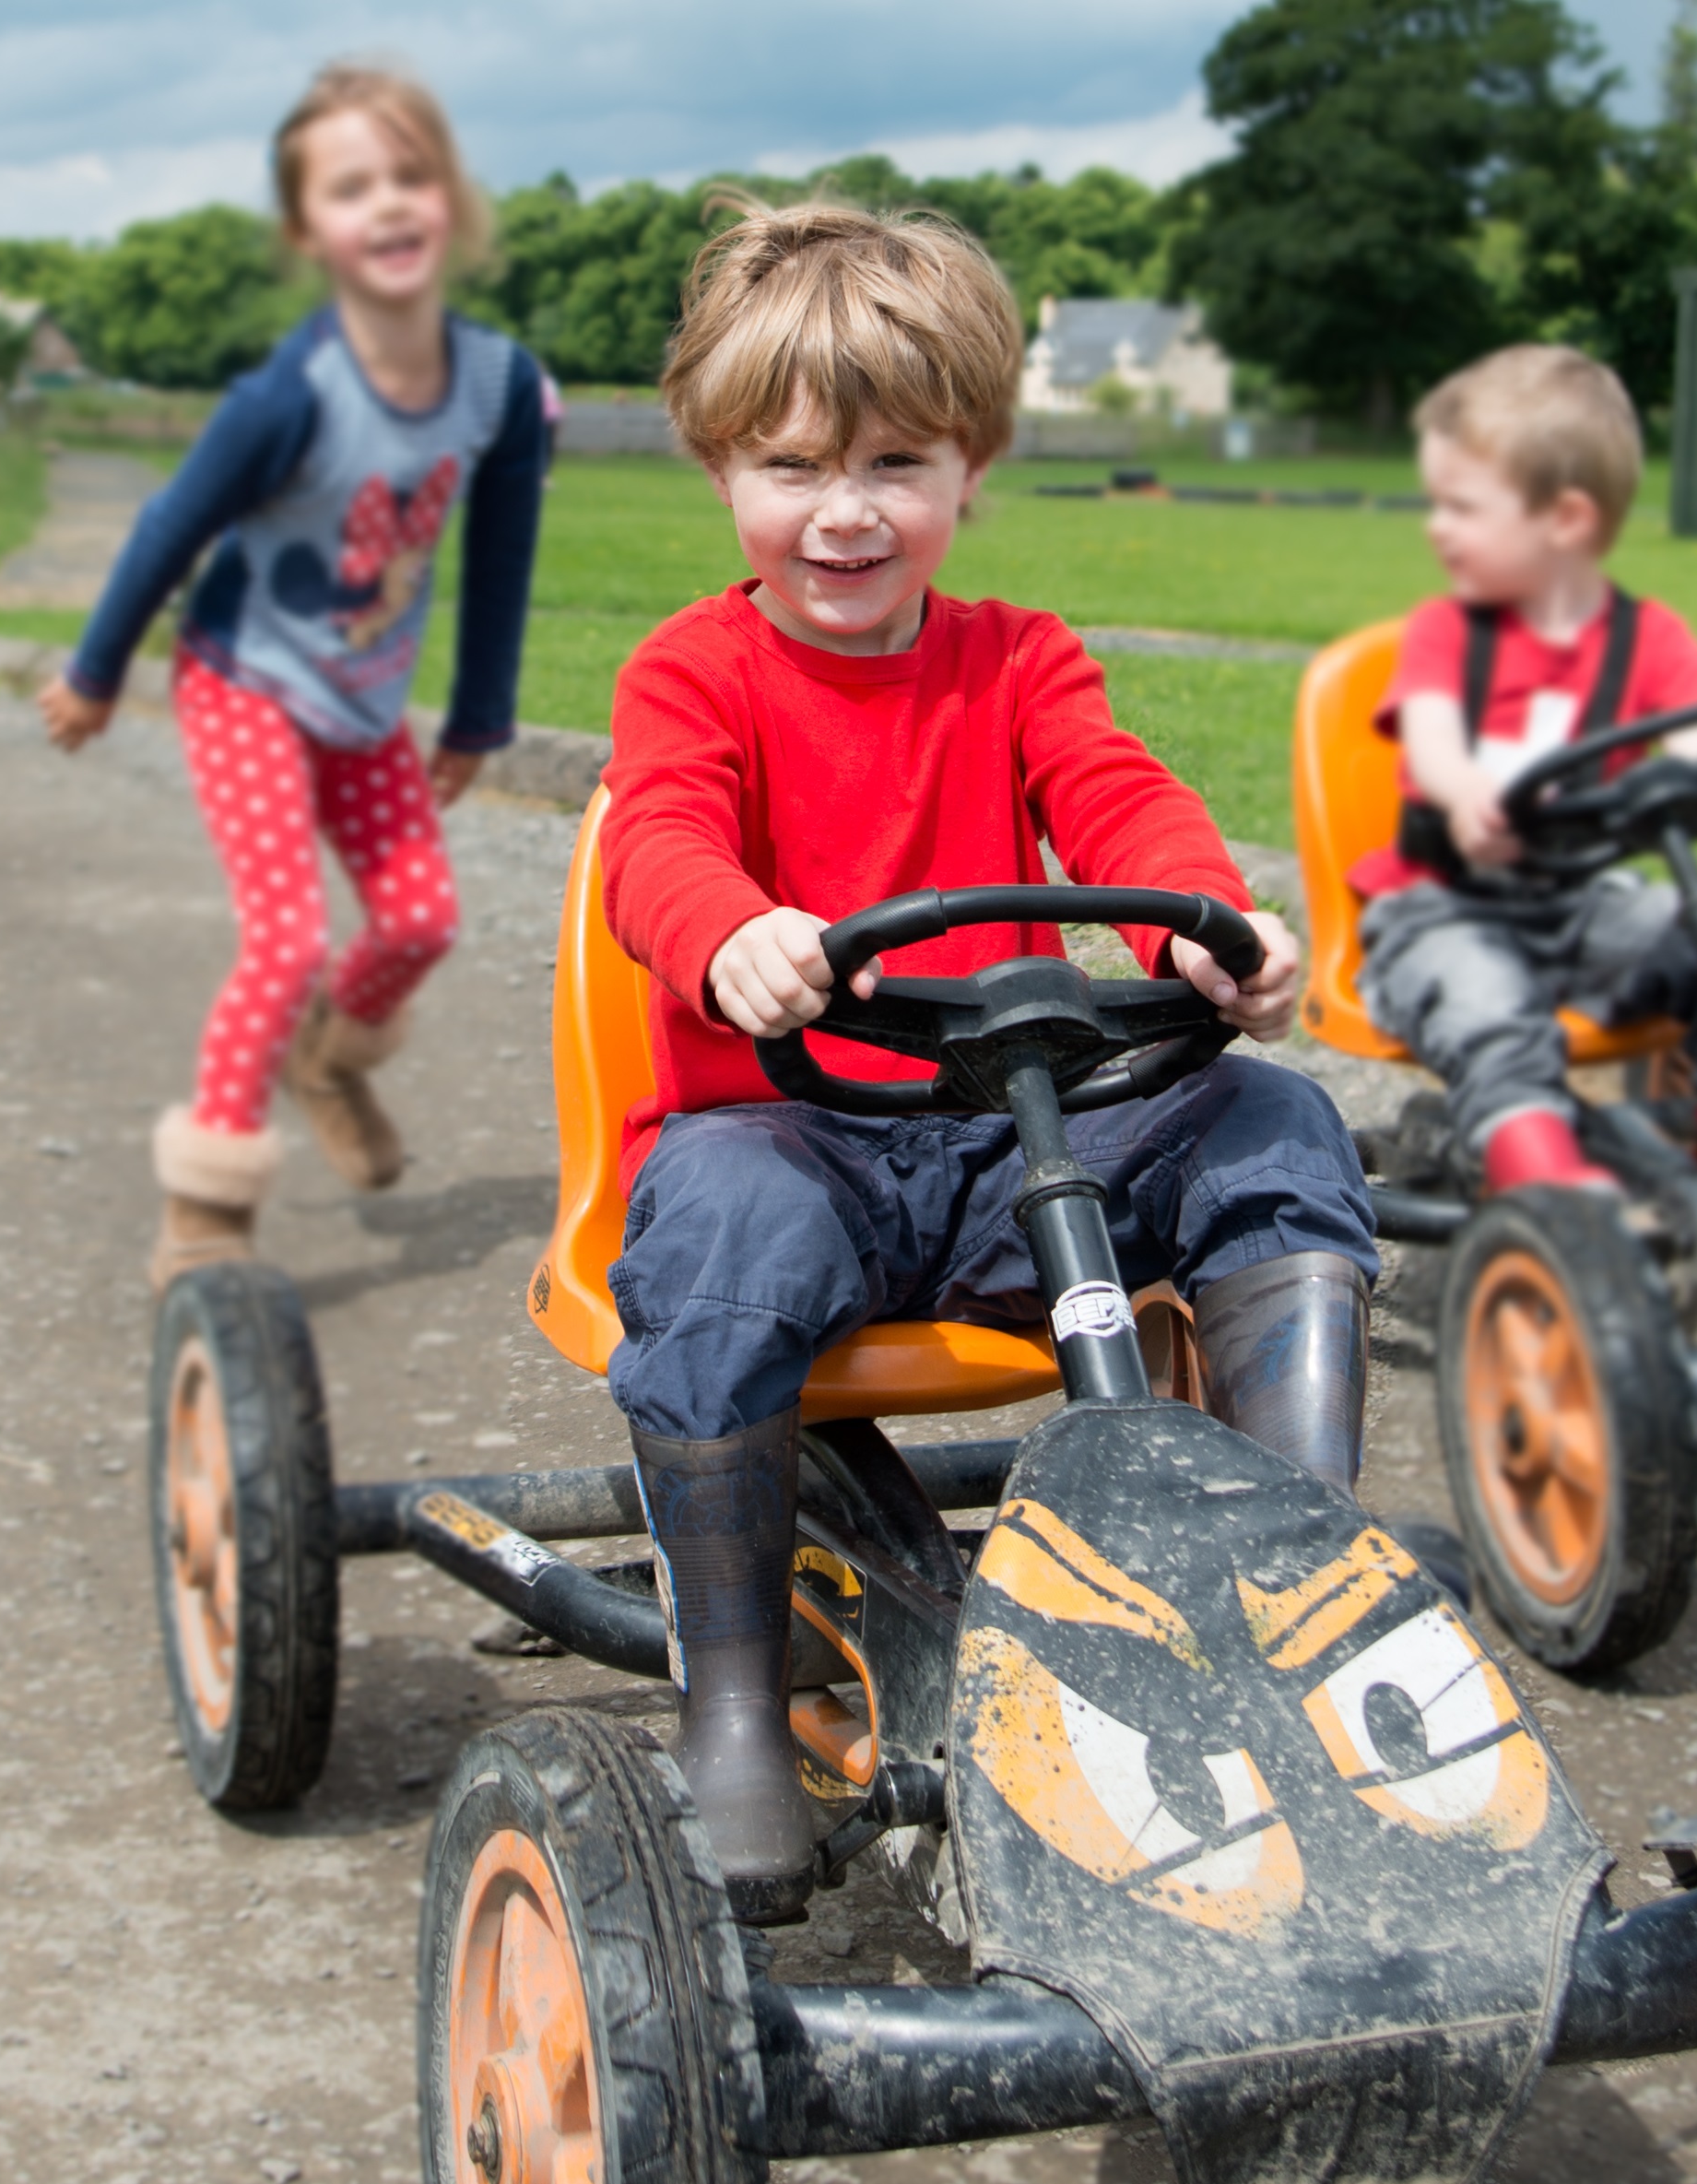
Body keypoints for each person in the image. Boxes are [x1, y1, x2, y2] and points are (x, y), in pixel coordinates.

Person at [597, 199, 1376, 1924]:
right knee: (725, 1225)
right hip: (785, 1132)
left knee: (1272, 1117)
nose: (847, 510)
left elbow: (1117, 792)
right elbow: (655, 835)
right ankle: (730, 1696)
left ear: (974, 466)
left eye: (896, 460)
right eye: (795, 464)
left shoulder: (1019, 659)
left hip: (1014, 1154)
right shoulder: (694, 673)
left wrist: (1199, 920)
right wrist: (729, 930)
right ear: (724, 466)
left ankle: (1298, 1593)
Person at [38, 62, 549, 1286]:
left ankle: (326, 1062)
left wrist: (478, 715)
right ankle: (206, 1205)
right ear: (306, 229)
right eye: (350, 186)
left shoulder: (499, 388)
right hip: (245, 680)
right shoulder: (290, 398)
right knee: (283, 935)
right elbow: (169, 528)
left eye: (409, 175)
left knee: (421, 917)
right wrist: (99, 669)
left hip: (365, 702)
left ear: (453, 199)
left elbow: (499, 557)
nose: (387, 204)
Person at [1353, 346, 1697, 1193]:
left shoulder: (1652, 641)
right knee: (1486, 1004)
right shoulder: (1443, 634)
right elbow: (1430, 744)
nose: (1437, 528)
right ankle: (1549, 1186)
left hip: (1577, 907)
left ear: (1565, 520)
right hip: (1442, 909)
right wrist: (1466, 796)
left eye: (1461, 507)